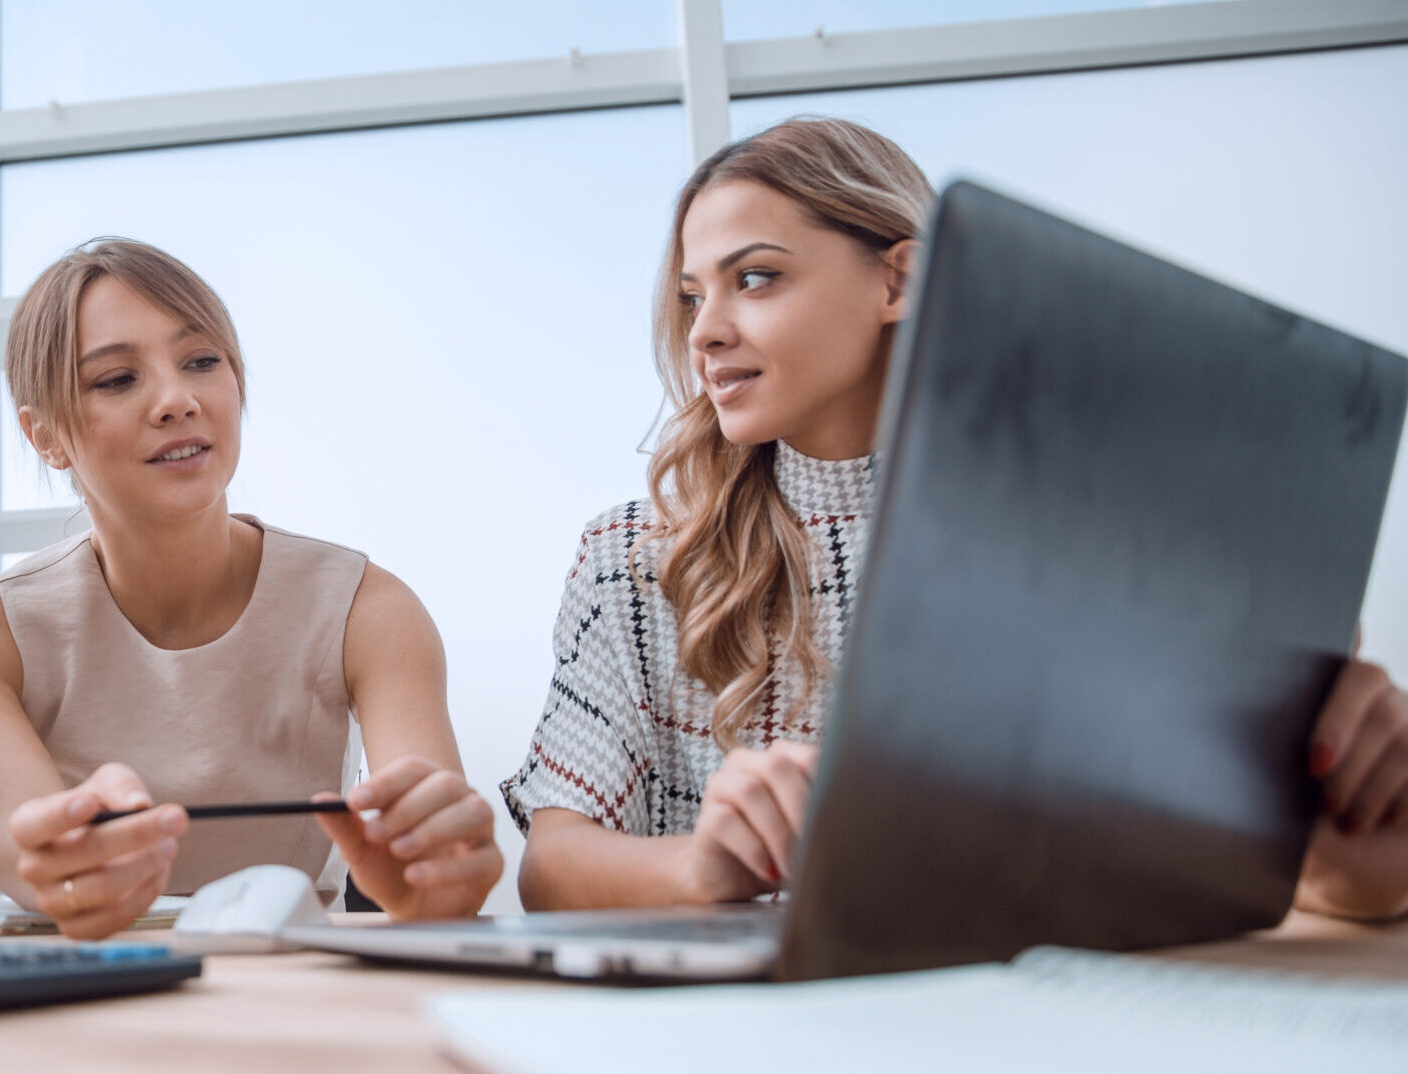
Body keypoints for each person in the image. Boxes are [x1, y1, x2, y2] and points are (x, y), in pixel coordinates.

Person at [501, 116, 1408, 920]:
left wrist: (1349, 839)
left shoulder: (1094, 548)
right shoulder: (630, 560)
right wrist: (706, 865)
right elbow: (552, 867)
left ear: (900, 279)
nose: (703, 331)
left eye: (757, 278)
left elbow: (1280, 878)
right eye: (695, 295)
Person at [0, 239, 501, 939]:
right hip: (88, 985)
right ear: (44, 436)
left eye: (200, 362)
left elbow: (432, 850)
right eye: (115, 379)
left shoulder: (368, 608)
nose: (176, 400)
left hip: (299, 988)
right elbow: (13, 841)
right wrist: (53, 859)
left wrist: (438, 866)